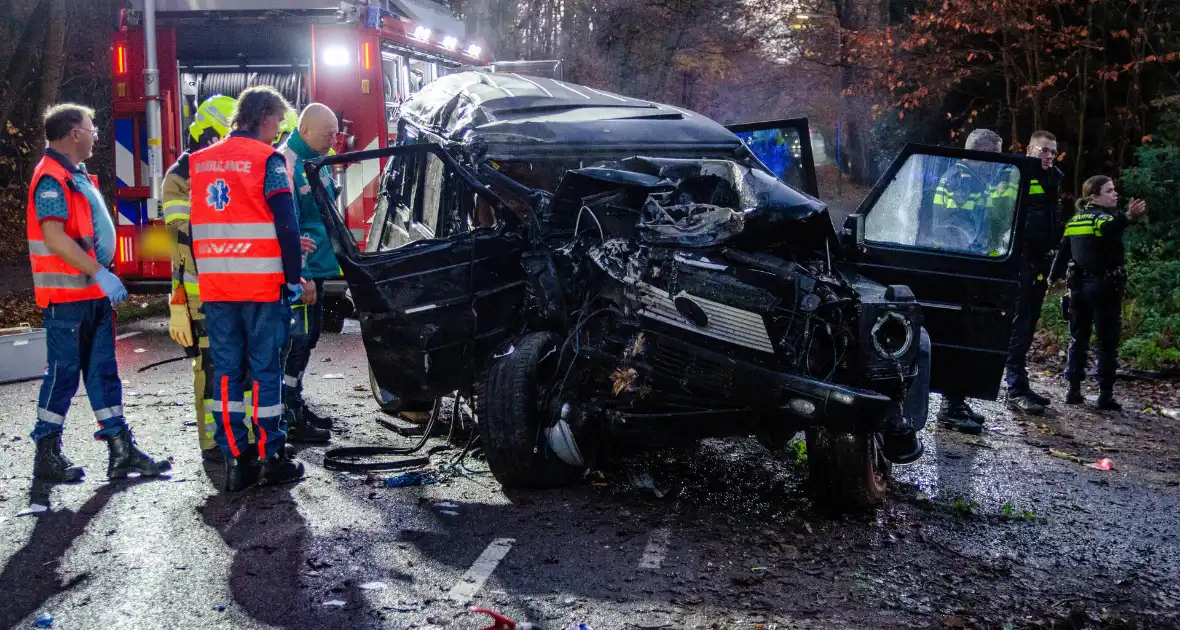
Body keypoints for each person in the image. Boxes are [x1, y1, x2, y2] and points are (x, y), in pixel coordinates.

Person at [26, 103, 170, 482]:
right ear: (74, 132)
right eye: (91, 128)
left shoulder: (76, 176)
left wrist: (101, 278)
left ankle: (120, 451)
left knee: (104, 373)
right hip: (68, 298)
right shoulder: (52, 178)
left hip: (91, 294)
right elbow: (54, 236)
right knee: (63, 375)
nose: (95, 135)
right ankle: (46, 454)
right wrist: (98, 272)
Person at [189, 86, 311, 491]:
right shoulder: (269, 160)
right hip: (261, 285)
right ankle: (271, 455)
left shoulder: (201, 162)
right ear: (262, 116)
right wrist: (293, 280)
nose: (279, 130)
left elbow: (195, 228)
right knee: (265, 370)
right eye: (277, 120)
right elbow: (287, 225)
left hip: (218, 286)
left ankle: (235, 460)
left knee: (224, 374)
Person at [163, 94, 245, 460]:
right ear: (208, 133)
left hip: (232, 282)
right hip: (200, 288)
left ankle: (236, 433)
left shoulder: (223, 168)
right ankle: (212, 442)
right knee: (210, 364)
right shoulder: (180, 177)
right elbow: (183, 233)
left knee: (237, 361)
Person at [1049, 175, 1147, 411]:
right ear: (1094, 196)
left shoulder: (1074, 221)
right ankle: (1105, 395)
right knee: (1107, 342)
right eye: (1109, 190)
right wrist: (1128, 217)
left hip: (1077, 288)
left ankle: (1073, 391)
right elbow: (1109, 228)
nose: (1115, 194)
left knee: (1078, 339)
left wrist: (1052, 279)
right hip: (1103, 287)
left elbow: (1062, 254)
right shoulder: (1101, 218)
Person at [276, 103, 340, 443]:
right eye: (327, 133)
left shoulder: (315, 159)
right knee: (296, 342)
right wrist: (303, 276)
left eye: (335, 133)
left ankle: (295, 403)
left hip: (319, 266)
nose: (333, 139)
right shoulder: (287, 162)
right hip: (303, 272)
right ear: (305, 130)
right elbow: (290, 225)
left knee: (309, 338)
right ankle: (288, 412)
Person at [932, 128, 1003, 434]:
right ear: (983, 151)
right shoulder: (960, 180)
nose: (994, 163)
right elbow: (953, 228)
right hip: (959, 268)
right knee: (959, 334)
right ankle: (950, 407)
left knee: (967, 334)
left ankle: (957, 400)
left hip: (965, 266)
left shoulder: (970, 179)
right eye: (993, 156)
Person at [1005, 131, 1064, 416]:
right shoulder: (1017, 176)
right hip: (1022, 261)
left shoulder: (1053, 178)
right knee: (1019, 326)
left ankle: (1021, 386)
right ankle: (1015, 390)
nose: (1049, 156)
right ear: (1030, 149)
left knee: (1029, 327)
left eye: (1053, 152)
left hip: (1042, 262)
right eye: (1044, 150)